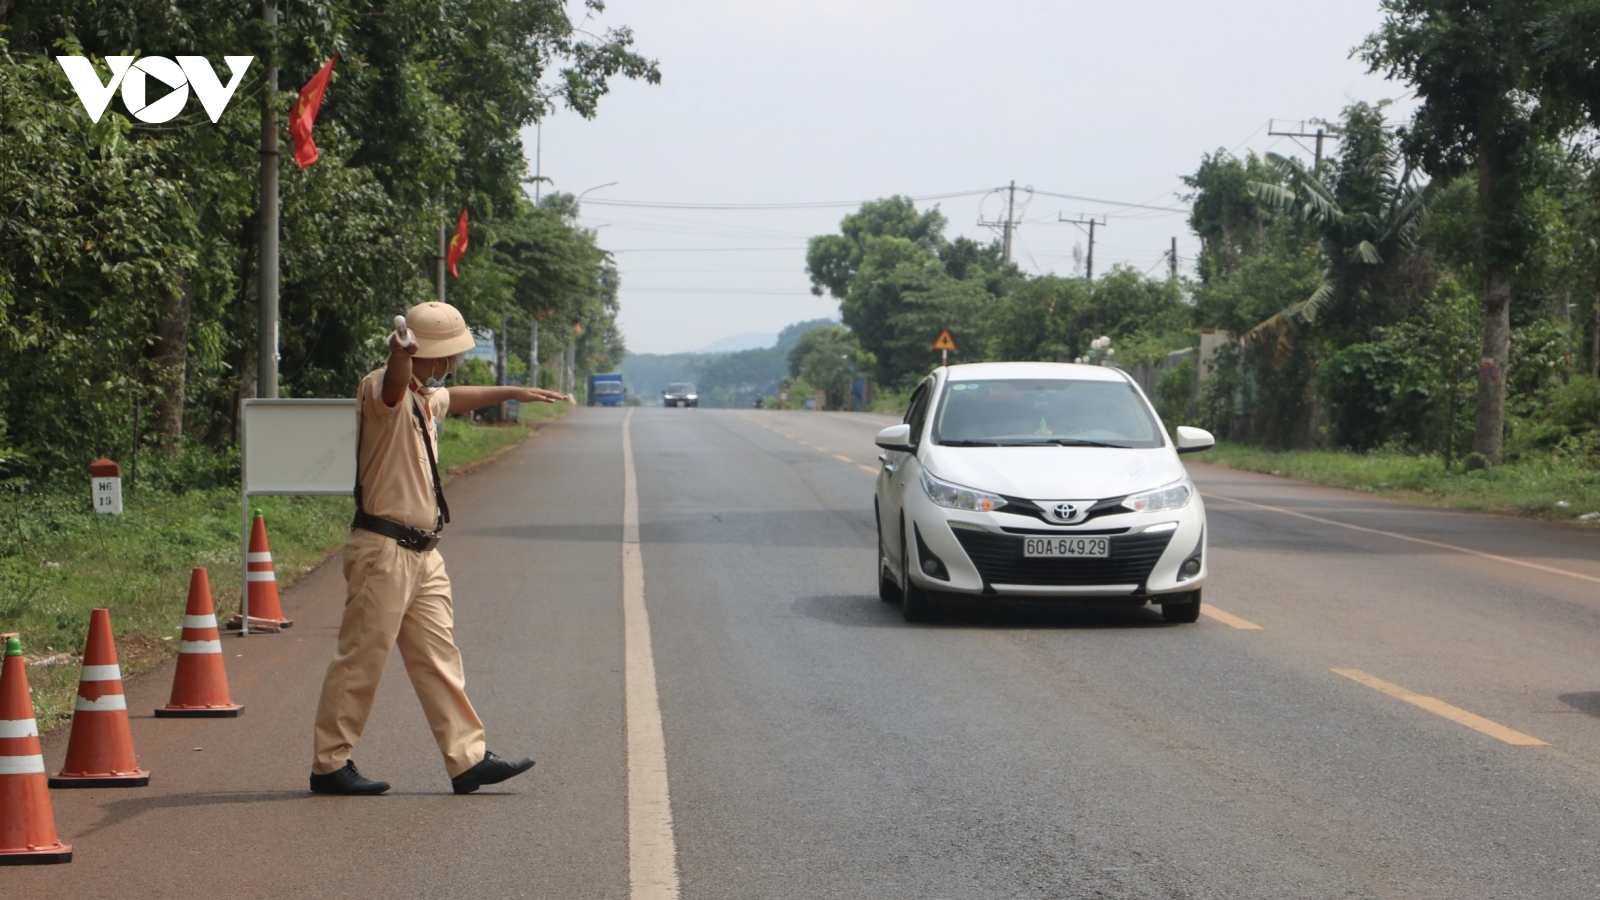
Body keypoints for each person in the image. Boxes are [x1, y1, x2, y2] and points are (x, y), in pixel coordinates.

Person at [309, 301, 572, 796]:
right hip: (383, 549)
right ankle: (329, 763)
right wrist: (400, 354)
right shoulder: (382, 390)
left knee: (439, 657)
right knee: (362, 658)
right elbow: (392, 380)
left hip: (424, 552)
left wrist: (514, 391)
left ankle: (467, 759)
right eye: (446, 355)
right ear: (425, 354)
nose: (452, 364)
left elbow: (460, 396)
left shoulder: (427, 397)